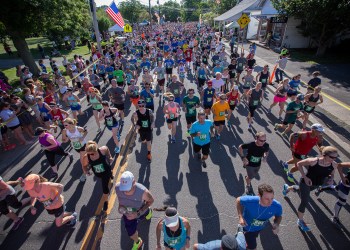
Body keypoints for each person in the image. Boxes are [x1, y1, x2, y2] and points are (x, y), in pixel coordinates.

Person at [282, 146, 338, 232]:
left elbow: (332, 174)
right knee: (304, 201)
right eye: (331, 157)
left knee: (300, 190)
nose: (333, 159)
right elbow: (299, 164)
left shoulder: (334, 164)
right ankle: (300, 221)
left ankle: (288, 188)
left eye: (335, 157)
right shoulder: (314, 161)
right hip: (305, 182)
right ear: (324, 155)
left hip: (317, 184)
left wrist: (331, 179)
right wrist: (305, 177)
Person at [116, 171, 154, 250]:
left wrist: (138, 213)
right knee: (131, 233)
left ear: (134, 182)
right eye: (123, 188)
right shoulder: (118, 188)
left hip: (140, 210)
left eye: (128, 188)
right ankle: (138, 242)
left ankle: (148, 212)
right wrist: (120, 207)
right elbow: (120, 200)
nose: (125, 191)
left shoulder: (143, 192)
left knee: (145, 212)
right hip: (128, 215)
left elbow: (151, 201)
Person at [236, 184, 282, 250]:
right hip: (247, 228)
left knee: (251, 240)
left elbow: (279, 216)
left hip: (259, 228)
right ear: (259, 196)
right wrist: (240, 217)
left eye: (272, 198)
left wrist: (276, 224)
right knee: (252, 247)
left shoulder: (277, 206)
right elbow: (238, 200)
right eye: (267, 199)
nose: (270, 202)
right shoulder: (250, 201)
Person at [82, 141, 113, 211]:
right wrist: (86, 171)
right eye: (89, 154)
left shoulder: (102, 150)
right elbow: (84, 166)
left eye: (92, 153)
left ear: (96, 149)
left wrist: (110, 157)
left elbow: (107, 150)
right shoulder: (86, 157)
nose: (91, 155)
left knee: (105, 190)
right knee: (107, 178)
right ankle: (111, 175)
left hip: (106, 170)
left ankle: (106, 202)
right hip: (98, 174)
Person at [62, 118, 88, 182]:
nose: (64, 126)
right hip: (76, 147)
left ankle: (84, 174)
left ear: (70, 124)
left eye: (66, 125)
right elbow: (64, 141)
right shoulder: (65, 131)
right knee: (85, 157)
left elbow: (86, 131)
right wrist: (65, 137)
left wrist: (82, 137)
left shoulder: (78, 129)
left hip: (83, 145)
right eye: (64, 125)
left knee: (82, 161)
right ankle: (89, 158)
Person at [332, 162, 350, 228]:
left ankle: (321, 188)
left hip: (346, 186)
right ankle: (335, 218)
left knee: (336, 188)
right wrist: (342, 177)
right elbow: (339, 165)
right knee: (341, 202)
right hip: (345, 185)